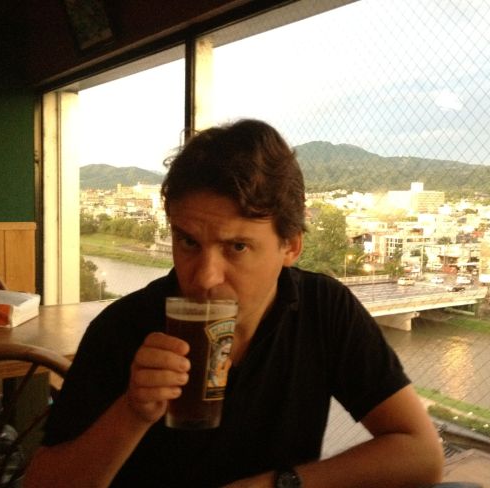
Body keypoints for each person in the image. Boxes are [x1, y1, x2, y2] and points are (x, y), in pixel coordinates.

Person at [24, 119, 443, 487]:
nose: (204, 277)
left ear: (290, 246)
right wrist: (133, 411)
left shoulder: (323, 308)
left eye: (237, 247)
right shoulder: (124, 327)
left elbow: (421, 453)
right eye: (189, 242)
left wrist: (279, 484)